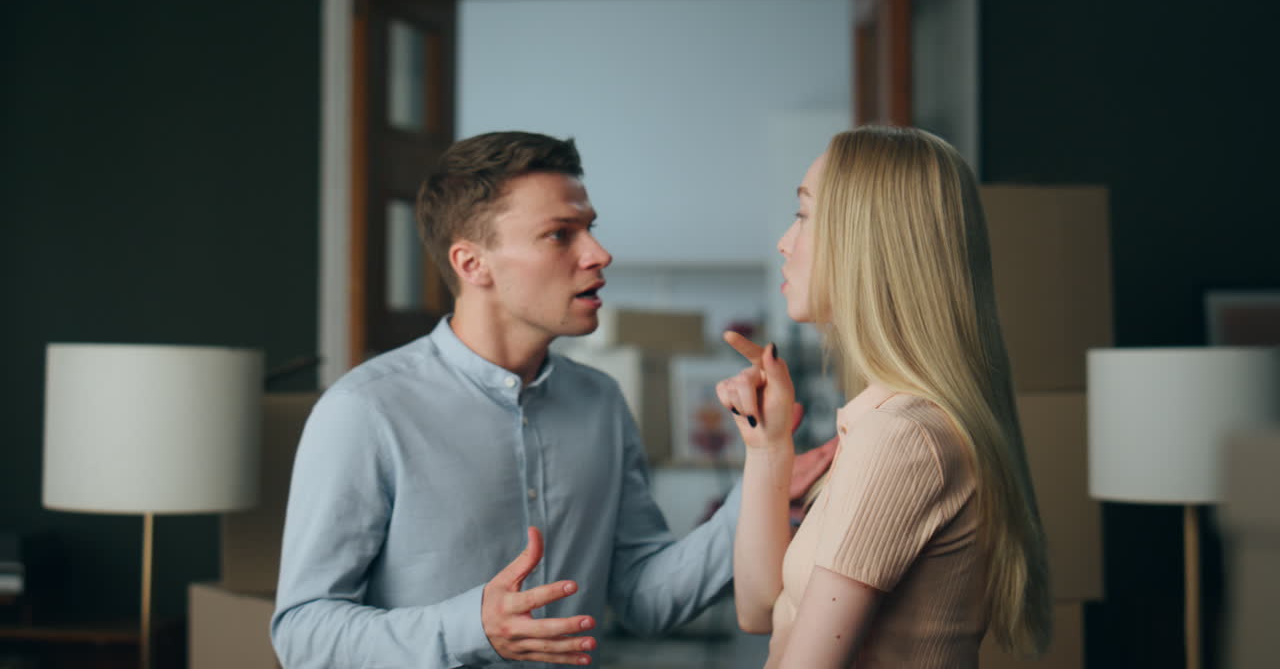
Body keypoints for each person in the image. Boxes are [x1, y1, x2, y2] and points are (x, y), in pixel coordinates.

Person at [270, 131, 833, 668]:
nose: (599, 253)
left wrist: (760, 492)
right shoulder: (365, 411)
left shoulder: (600, 402)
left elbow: (643, 598)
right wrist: (471, 628)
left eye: (590, 228)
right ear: (472, 264)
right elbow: (302, 634)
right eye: (560, 235)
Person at [716, 126, 1052, 668]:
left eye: (803, 215)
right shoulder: (885, 421)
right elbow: (759, 611)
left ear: (866, 242)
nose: (784, 241)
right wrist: (768, 445)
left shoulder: (902, 436)